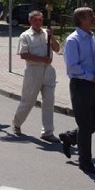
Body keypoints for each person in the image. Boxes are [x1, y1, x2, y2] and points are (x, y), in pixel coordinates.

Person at [59, 7, 95, 175]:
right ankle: (85, 162)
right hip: (81, 85)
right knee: (85, 125)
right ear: (81, 19)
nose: (93, 18)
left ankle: (71, 137)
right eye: (90, 16)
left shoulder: (91, 37)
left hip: (93, 84)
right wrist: (90, 77)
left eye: (93, 14)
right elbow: (72, 67)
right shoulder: (73, 40)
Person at [12, 10, 61, 142]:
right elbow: (23, 54)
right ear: (30, 21)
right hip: (33, 70)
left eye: (40, 19)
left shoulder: (46, 33)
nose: (38, 22)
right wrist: (41, 59)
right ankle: (17, 123)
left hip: (48, 71)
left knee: (49, 101)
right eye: (35, 20)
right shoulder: (25, 35)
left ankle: (47, 132)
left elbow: (57, 49)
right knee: (29, 100)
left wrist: (53, 37)